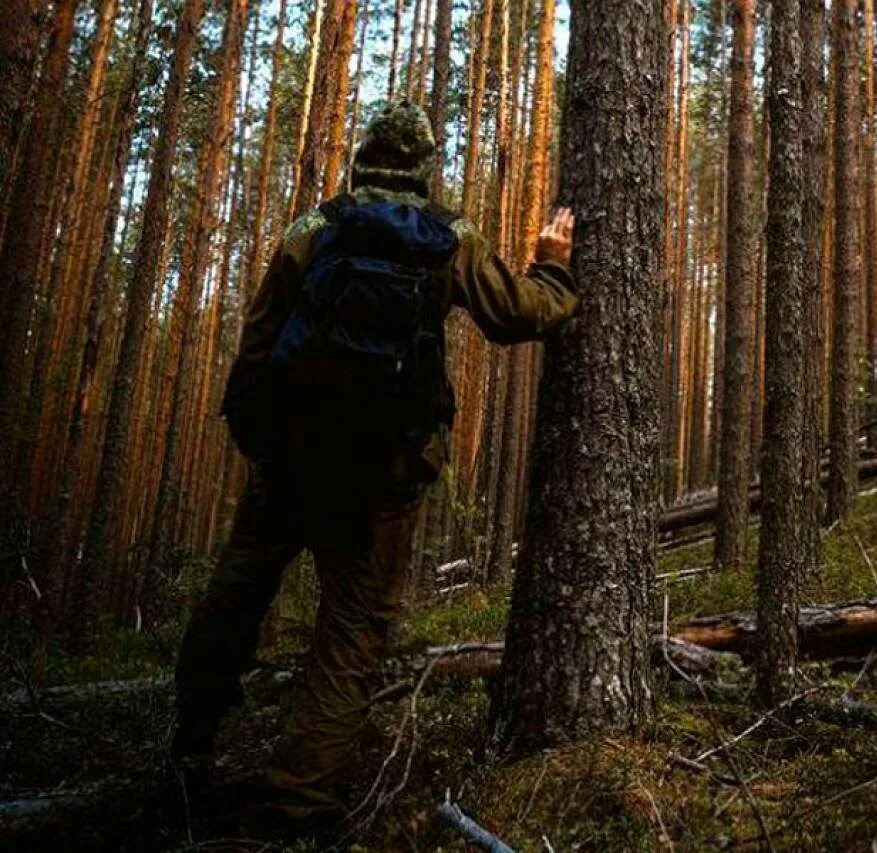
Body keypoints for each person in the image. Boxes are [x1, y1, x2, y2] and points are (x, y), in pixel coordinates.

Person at [171, 100, 578, 820]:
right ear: (425, 167)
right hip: (383, 473)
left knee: (235, 597)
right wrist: (552, 269)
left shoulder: (313, 228)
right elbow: (520, 315)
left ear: (361, 156)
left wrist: (266, 447)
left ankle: (188, 751)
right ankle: (300, 795)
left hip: (290, 460)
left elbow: (256, 349)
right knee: (352, 625)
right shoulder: (449, 236)